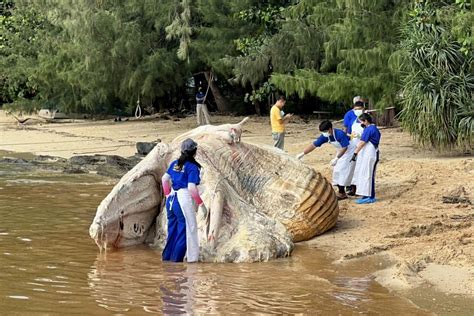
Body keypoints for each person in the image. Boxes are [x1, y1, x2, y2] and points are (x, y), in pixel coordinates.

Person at [161, 138, 205, 262]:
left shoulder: (175, 163)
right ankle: (179, 262)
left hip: (171, 201)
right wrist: (201, 204)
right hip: (183, 200)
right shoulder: (192, 167)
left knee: (172, 230)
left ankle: (167, 259)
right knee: (186, 231)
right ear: (194, 152)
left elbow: (164, 179)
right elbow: (191, 188)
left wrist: (168, 195)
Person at [296, 120, 356, 200]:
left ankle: (343, 192)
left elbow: (345, 147)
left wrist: (336, 158)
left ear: (330, 129)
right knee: (337, 171)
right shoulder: (325, 136)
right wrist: (302, 154)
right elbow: (314, 145)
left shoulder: (339, 134)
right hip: (341, 151)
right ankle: (343, 190)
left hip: (349, 151)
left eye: (325, 131)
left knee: (343, 170)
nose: (324, 133)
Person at [351, 113, 381, 204]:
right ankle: (366, 194)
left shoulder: (370, 129)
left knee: (369, 174)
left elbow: (362, 143)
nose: (361, 124)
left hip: (370, 154)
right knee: (364, 174)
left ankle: (371, 196)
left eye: (362, 122)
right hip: (368, 154)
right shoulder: (372, 128)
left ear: (366, 121)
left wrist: (355, 153)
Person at [342, 96, 366, 195]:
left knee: (361, 165)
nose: (358, 110)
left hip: (363, 142)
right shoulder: (349, 114)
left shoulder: (366, 115)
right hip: (351, 141)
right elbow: (345, 128)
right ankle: (350, 186)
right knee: (351, 164)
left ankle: (360, 186)